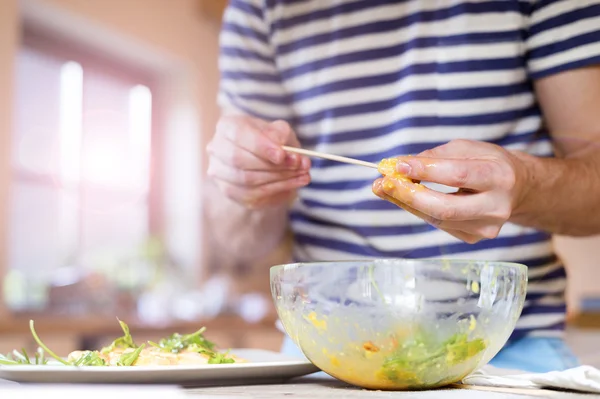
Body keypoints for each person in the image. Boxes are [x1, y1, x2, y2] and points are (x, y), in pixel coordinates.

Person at [205, 0, 600, 373]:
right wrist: (247, 185)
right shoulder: (260, 8)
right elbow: (235, 239)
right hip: (323, 352)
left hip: (508, 348)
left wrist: (527, 185)